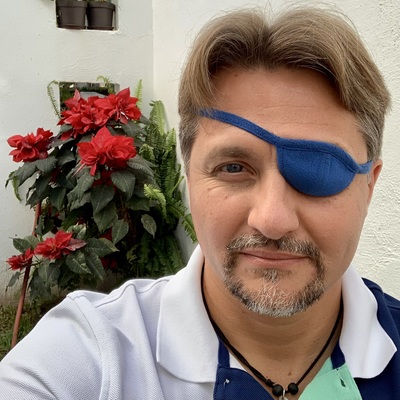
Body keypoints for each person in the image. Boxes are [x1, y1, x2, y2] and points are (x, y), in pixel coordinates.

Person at [0, 5, 399, 399]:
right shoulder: (90, 357)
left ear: (369, 187)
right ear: (189, 176)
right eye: (233, 168)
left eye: (320, 171)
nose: (272, 220)